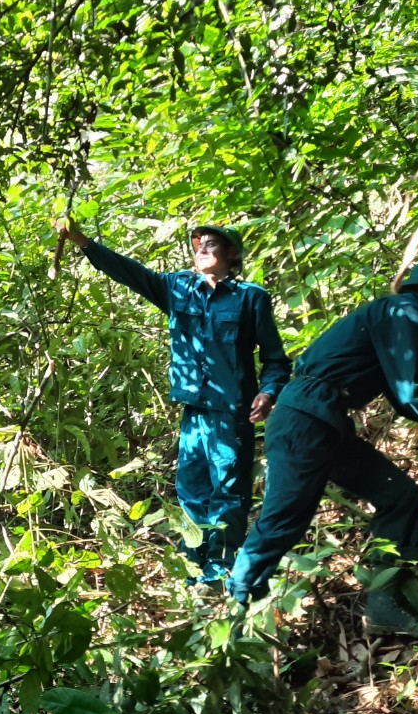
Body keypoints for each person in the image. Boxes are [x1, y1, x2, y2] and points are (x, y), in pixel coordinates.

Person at [227, 256, 418, 636]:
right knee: (283, 521)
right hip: (306, 419)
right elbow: (413, 392)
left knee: (399, 496)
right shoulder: (402, 311)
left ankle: (384, 605)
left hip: (325, 421)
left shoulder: (397, 316)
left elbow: (402, 396)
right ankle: (235, 615)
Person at [54, 218, 291, 583]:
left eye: (212, 244)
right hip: (193, 411)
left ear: (231, 253)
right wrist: (80, 240)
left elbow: (276, 359)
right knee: (191, 489)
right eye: (199, 244)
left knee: (228, 493)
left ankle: (221, 573)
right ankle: (193, 569)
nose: (202, 249)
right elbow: (128, 272)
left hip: (231, 413)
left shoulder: (250, 298)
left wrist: (269, 390)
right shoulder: (178, 288)